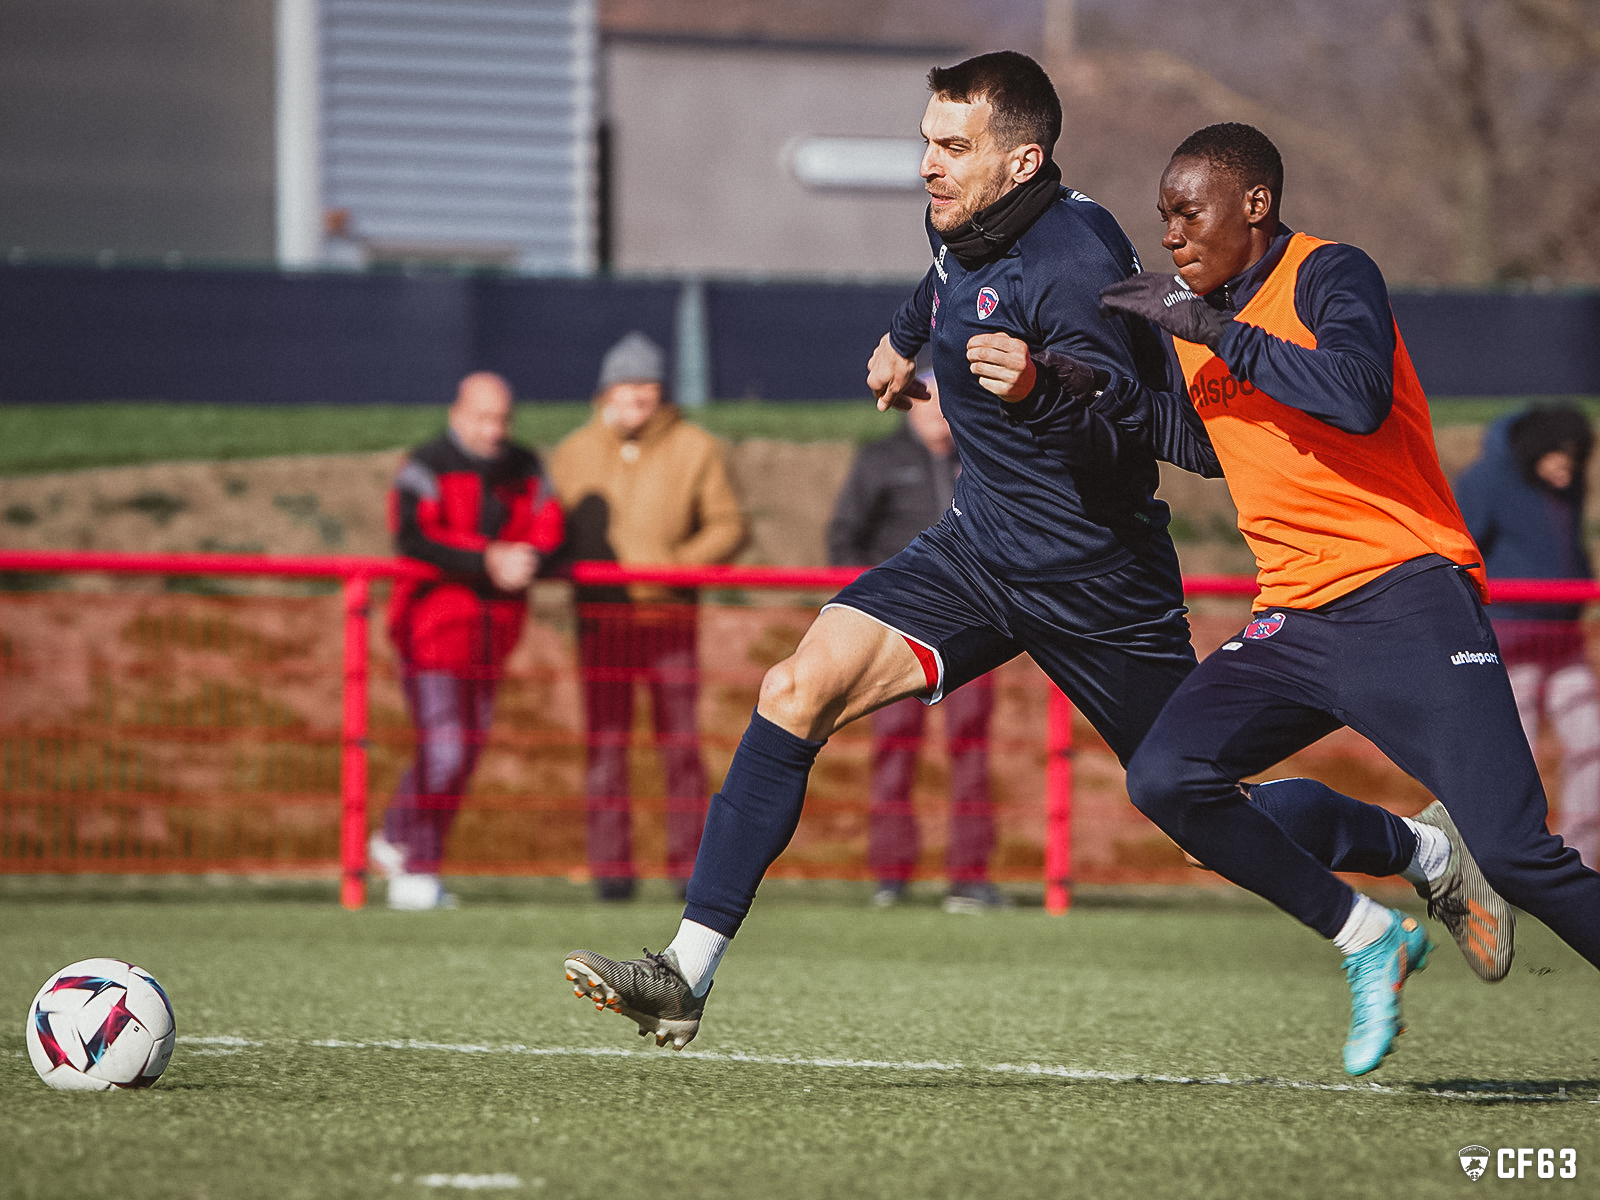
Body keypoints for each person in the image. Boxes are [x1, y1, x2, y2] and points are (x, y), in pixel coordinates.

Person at [560, 58, 1496, 1059]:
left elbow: (1152, 438)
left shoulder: (1080, 264)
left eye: (951, 147)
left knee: (1201, 806)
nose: (928, 163)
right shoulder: (961, 217)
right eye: (926, 139)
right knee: (795, 689)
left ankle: (1413, 862)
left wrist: (1036, 389)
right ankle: (684, 975)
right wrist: (901, 336)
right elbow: (946, 279)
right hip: (975, 551)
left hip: (1098, 579)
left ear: (1023, 161)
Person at [1075, 122, 1600, 1074]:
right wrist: (1094, 395)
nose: (1172, 235)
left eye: (1188, 212)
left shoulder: (1329, 272)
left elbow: (1355, 396)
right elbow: (1219, 443)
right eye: (1163, 220)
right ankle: (1405, 882)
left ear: (1255, 205)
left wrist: (1210, 330)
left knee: (1521, 857)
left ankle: (1465, 857)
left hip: (1408, 599)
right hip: (1293, 621)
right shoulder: (1204, 316)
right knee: (1169, 785)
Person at [549, 331, 746, 902]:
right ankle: (610, 870)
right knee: (605, 746)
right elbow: (549, 526)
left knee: (680, 746)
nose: (636, 396)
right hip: (601, 622)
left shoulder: (696, 448)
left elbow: (728, 524)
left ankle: (690, 867)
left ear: (662, 392)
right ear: (606, 391)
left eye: (647, 386)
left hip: (669, 621)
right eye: (626, 385)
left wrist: (676, 567)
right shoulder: (573, 452)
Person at [370, 372, 565, 910]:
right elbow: (412, 535)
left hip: (493, 636)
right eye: (483, 417)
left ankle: (397, 837)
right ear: (457, 413)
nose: (493, 429)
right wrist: (487, 558)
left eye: (502, 419)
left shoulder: (525, 466)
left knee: (462, 751)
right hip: (431, 631)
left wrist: (532, 557)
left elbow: (551, 524)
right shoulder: (426, 464)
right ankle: (417, 866)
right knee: (446, 747)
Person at [826, 373, 1005, 911]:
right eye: (928, 401)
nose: (939, 413)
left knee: (971, 751)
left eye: (949, 404)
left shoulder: (982, 457)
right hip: (895, 634)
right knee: (894, 751)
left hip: (975, 628)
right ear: (907, 405)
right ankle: (890, 876)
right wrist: (870, 607)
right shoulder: (880, 460)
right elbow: (843, 538)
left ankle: (969, 878)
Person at [1456, 405, 1600, 867]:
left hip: (1563, 638)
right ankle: (1509, 863)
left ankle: (1583, 864)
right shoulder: (1485, 480)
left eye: (1576, 456)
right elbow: (1461, 552)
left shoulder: (1567, 485)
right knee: (1516, 755)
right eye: (1559, 455)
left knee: (1592, 744)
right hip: (1509, 642)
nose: (1568, 465)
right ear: (1535, 450)